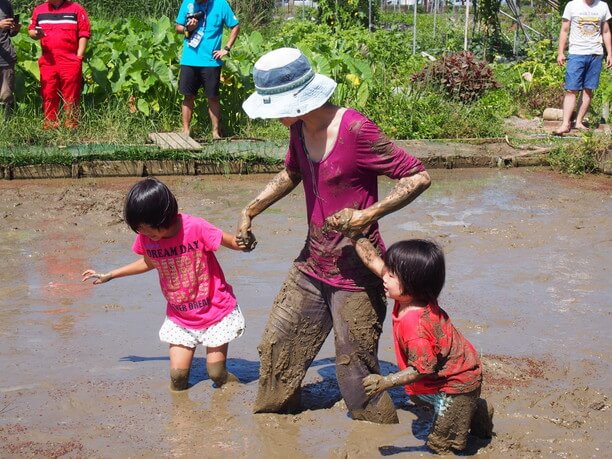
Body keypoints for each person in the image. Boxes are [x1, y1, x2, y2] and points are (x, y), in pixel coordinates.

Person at [237, 47, 431, 423]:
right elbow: (293, 173)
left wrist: (368, 213)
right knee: (277, 351)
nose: (274, 115)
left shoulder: (356, 129)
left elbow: (418, 175)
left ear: (298, 99)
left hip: (357, 272)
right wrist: (250, 210)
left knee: (358, 382)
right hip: (310, 264)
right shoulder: (297, 129)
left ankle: (377, 438)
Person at [82, 178, 247, 392]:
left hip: (215, 312)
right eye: (141, 232)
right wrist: (111, 274)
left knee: (216, 374)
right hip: (181, 318)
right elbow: (148, 261)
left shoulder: (196, 227)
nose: (146, 237)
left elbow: (232, 242)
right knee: (177, 379)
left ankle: (239, 394)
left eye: (149, 231)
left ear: (164, 218)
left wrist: (246, 240)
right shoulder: (146, 238)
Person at [348, 237, 494, 454]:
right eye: (386, 271)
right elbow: (375, 263)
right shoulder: (413, 296)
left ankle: (469, 407)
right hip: (455, 369)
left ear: (411, 283)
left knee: (440, 444)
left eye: (391, 275)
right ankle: (473, 408)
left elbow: (421, 369)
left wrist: (386, 382)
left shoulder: (415, 324)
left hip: (457, 381)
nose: (384, 278)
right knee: (416, 395)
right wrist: (356, 237)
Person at [175, 0, 240, 139]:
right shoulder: (187, 3)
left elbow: (235, 26)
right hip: (189, 59)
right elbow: (178, 27)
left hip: (211, 61)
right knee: (188, 96)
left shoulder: (221, 4)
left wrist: (226, 48)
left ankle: (215, 132)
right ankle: (186, 131)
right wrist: (187, 28)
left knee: (213, 97)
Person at [28, 0, 90, 129]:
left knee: (71, 94)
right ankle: (50, 125)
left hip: (70, 58)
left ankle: (71, 126)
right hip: (48, 59)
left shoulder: (76, 9)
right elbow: (31, 31)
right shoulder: (39, 10)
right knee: (48, 92)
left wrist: (79, 57)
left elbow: (84, 34)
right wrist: (34, 34)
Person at [554, 0, 612, 135]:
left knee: (588, 90)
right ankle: (564, 124)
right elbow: (564, 30)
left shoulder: (602, 6)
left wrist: (610, 53)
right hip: (576, 54)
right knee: (571, 89)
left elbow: (606, 31)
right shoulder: (572, 5)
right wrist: (560, 52)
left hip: (596, 54)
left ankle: (578, 122)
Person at [0, 0, 20, 120]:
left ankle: (7, 126)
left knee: (6, 95)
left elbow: (10, 33)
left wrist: (15, 28)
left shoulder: (6, 4)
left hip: (6, 57)